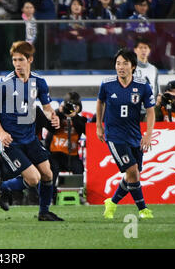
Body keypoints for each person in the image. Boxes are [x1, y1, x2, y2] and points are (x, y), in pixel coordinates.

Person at [0, 41, 64, 221]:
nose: (17, 64)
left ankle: (44, 212)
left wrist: (53, 115)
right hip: (10, 141)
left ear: (30, 59)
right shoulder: (4, 83)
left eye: (21, 59)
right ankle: (2, 187)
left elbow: (46, 107)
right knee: (34, 179)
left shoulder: (39, 82)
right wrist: (1, 133)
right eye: (14, 60)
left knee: (47, 173)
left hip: (30, 138)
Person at [96, 48, 155, 220]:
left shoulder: (142, 85)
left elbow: (151, 111)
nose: (120, 67)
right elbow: (100, 102)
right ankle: (143, 210)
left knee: (132, 175)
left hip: (134, 135)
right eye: (118, 63)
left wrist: (148, 134)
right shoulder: (107, 84)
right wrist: (99, 125)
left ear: (133, 66)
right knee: (133, 170)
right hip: (114, 136)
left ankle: (112, 203)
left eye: (125, 63)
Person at [45, 92, 87, 175]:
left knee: (79, 169)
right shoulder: (57, 115)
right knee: (53, 169)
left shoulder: (80, 120)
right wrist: (59, 112)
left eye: (74, 106)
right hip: (54, 154)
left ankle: (78, 188)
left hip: (72, 155)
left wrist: (74, 116)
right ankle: (51, 188)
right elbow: (50, 127)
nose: (70, 108)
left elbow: (85, 131)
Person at [133, 38, 160, 121]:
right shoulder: (130, 67)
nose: (143, 50)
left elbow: (157, 90)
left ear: (149, 50)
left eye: (146, 48)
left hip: (149, 111)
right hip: (133, 110)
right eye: (140, 48)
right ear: (135, 50)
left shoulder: (154, 69)